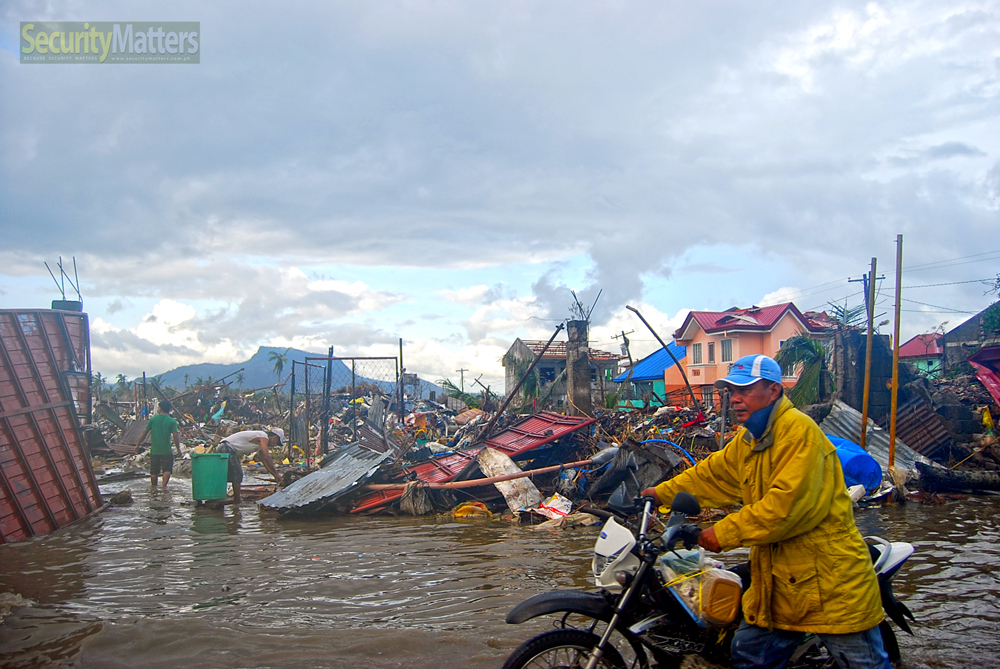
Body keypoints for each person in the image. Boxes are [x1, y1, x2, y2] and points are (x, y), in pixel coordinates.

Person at [641, 354, 889, 669]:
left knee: (862, 663)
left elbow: (785, 507)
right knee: (748, 653)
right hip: (779, 580)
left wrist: (722, 533)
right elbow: (712, 475)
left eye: (745, 390)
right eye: (732, 391)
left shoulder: (798, 432)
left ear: (773, 391)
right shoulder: (750, 439)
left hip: (829, 580)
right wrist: (660, 492)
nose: (735, 398)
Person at [215, 428, 282, 504]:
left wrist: (275, 475)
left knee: (228, 474)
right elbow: (267, 456)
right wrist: (277, 474)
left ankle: (225, 496)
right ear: (274, 438)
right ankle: (237, 500)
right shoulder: (264, 437)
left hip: (225, 447)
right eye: (277, 443)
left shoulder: (261, 444)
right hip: (226, 447)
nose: (274, 445)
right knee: (238, 473)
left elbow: (265, 461)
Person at [138, 400, 181, 488]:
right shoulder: (172, 421)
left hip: (155, 451)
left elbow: (144, 433)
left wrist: (137, 444)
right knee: (167, 470)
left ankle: (154, 488)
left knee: (154, 471)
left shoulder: (153, 420)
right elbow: (175, 436)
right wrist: (178, 449)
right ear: (169, 409)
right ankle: (163, 488)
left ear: (160, 408)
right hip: (167, 451)